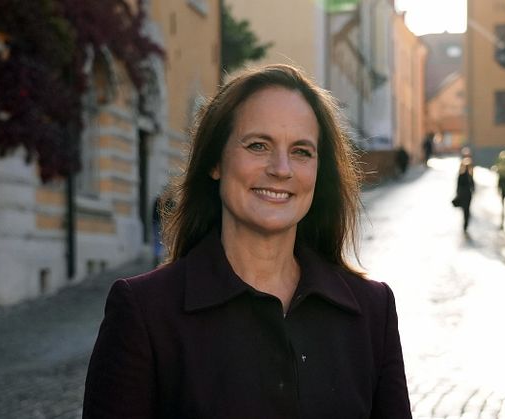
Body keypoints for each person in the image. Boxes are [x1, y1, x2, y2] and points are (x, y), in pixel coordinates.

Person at [83, 64, 412, 418]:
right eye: (258, 145)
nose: (281, 168)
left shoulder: (372, 312)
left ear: (319, 171)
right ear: (215, 163)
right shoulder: (145, 313)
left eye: (301, 151)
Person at [455, 156, 475, 232]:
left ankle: (465, 223)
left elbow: (458, 186)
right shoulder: (470, 175)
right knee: (467, 209)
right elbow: (473, 186)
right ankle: (465, 223)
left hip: (462, 194)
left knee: (464, 210)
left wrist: (458, 193)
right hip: (467, 194)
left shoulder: (461, 175)